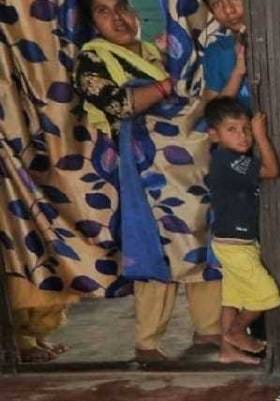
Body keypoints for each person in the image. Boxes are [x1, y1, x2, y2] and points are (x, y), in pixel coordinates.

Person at [73, 0, 223, 362]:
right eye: (103, 12)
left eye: (121, 7)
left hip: (190, 171)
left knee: (201, 243)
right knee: (155, 250)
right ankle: (148, 343)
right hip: (145, 173)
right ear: (92, 23)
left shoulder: (159, 52)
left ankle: (210, 332)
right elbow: (120, 105)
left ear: (135, 13)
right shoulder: (93, 59)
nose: (117, 18)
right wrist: (168, 86)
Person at [203, 97, 280, 365]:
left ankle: (227, 350)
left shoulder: (230, 158)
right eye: (232, 130)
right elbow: (271, 170)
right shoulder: (228, 160)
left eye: (246, 129)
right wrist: (261, 135)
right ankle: (236, 331)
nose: (243, 136)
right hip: (235, 244)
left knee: (233, 298)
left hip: (233, 242)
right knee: (265, 294)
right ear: (214, 135)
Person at [201, 0, 251, 108]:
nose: (228, 10)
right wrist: (237, 73)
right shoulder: (217, 51)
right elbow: (214, 111)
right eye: (216, 4)